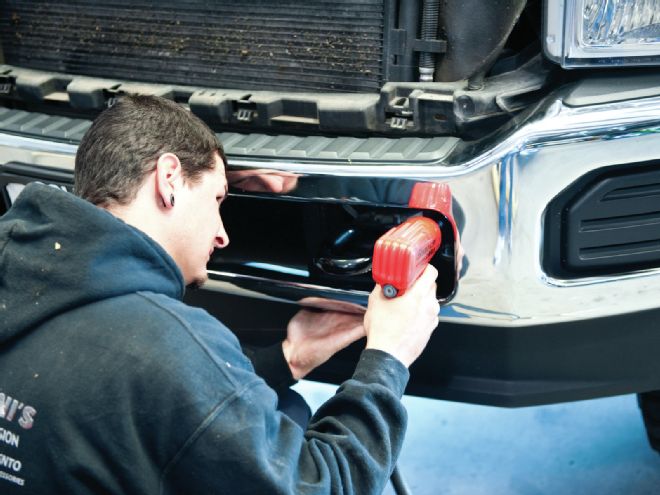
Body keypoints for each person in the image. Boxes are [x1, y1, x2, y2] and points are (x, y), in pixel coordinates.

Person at [0, 94, 440, 494]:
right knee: (291, 415)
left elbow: (140, 396)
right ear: (169, 179)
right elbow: (323, 485)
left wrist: (292, 355)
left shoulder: (19, 273)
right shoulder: (164, 342)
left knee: (282, 403)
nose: (223, 234)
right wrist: (388, 357)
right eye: (217, 198)